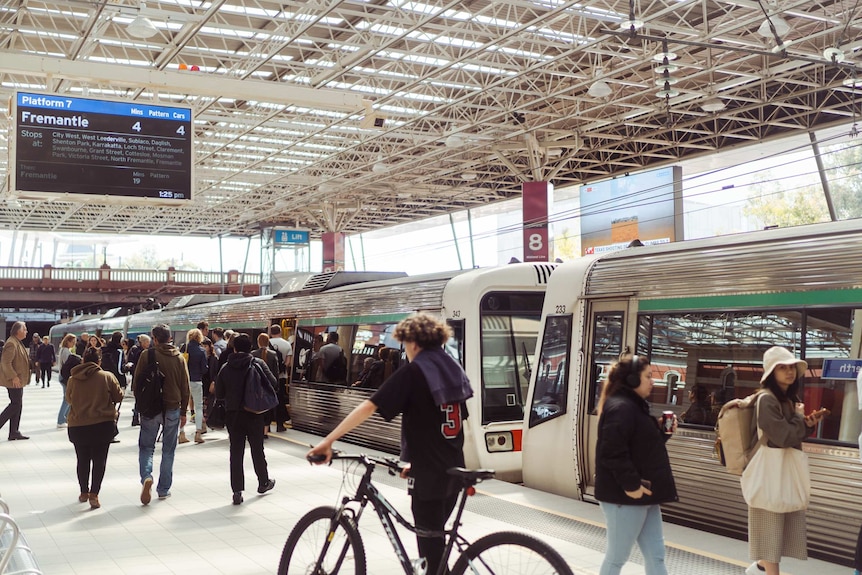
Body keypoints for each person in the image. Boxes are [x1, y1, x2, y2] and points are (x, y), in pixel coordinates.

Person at [308, 313, 473, 575]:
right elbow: (454, 426)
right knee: (436, 554)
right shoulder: (451, 368)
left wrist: (328, 441)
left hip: (430, 480)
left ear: (414, 342)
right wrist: (419, 461)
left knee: (431, 556)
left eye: (405, 344)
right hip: (453, 473)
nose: (406, 350)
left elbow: (368, 406)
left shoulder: (415, 371)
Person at [594, 355, 678, 575]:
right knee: (616, 558)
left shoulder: (634, 407)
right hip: (625, 496)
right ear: (632, 380)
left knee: (656, 555)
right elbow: (611, 452)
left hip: (644, 493)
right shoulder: (621, 408)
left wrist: (662, 432)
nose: (653, 382)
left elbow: (644, 449)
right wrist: (631, 486)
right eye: (648, 376)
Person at [745, 347, 825, 575]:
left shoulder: (788, 400)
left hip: (779, 474)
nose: (789, 372)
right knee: (770, 537)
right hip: (769, 474)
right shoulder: (767, 400)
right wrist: (801, 420)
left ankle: (759, 568)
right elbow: (784, 437)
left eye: (792, 367)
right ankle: (766, 570)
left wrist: (804, 424)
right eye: (782, 367)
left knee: (775, 533)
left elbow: (790, 435)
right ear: (771, 372)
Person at [215, 333, 277, 505]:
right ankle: (263, 482)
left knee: (236, 453)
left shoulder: (226, 367)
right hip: (255, 414)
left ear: (234, 348)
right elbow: (274, 383)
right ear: (250, 348)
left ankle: (237, 491)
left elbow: (219, 393)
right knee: (257, 449)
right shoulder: (258, 364)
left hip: (233, 415)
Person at [133, 324, 190, 504]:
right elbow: (185, 387)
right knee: (168, 450)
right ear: (170, 338)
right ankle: (163, 489)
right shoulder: (179, 358)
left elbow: (137, 383)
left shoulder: (147, 355)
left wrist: (141, 405)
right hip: (172, 408)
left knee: (147, 447)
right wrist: (183, 412)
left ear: (155, 339)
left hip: (151, 409)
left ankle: (147, 477)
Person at [65, 345, 123, 510]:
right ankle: (94, 495)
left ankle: (83, 492)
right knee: (99, 461)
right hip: (102, 425)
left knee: (82, 460)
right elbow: (118, 396)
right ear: (99, 360)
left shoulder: (72, 379)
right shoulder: (106, 376)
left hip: (78, 425)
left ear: (83, 360)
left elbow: (69, 399)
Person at [0, 321, 31, 440]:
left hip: (18, 380)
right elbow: (5, 363)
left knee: (18, 405)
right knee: (15, 404)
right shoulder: (11, 343)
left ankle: (14, 432)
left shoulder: (17, 342)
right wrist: (14, 376)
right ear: (18, 331)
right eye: (25, 329)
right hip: (13, 381)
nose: (26, 332)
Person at [182, 328, 208, 444]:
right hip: (197, 381)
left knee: (182, 407)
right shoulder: (201, 350)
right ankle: (198, 433)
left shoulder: (184, 348)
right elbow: (204, 369)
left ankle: (181, 433)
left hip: (184, 381)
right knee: (198, 407)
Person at [252, 333, 280, 439]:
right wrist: (276, 386)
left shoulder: (253, 354)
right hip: (268, 386)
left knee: (257, 407)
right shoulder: (273, 354)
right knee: (267, 408)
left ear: (258, 342)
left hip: (256, 385)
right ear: (268, 342)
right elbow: (276, 372)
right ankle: (265, 432)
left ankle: (257, 429)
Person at [267, 324, 293, 430]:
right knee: (280, 400)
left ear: (270, 332)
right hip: (281, 377)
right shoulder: (287, 344)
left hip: (268, 377)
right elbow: (288, 363)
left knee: (267, 400)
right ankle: (280, 425)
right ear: (280, 331)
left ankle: (266, 426)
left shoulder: (267, 343)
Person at [126, 334, 150, 426]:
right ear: (143, 342)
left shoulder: (134, 349)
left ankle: (136, 417)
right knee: (140, 398)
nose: (148, 344)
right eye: (147, 342)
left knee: (138, 398)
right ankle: (137, 417)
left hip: (136, 376)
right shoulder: (141, 351)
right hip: (141, 377)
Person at [57, 333, 79, 428]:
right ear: (68, 341)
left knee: (69, 398)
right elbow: (68, 366)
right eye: (72, 342)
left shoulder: (64, 350)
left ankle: (65, 418)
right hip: (65, 377)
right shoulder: (65, 351)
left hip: (63, 377)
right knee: (67, 399)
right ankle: (61, 420)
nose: (74, 344)